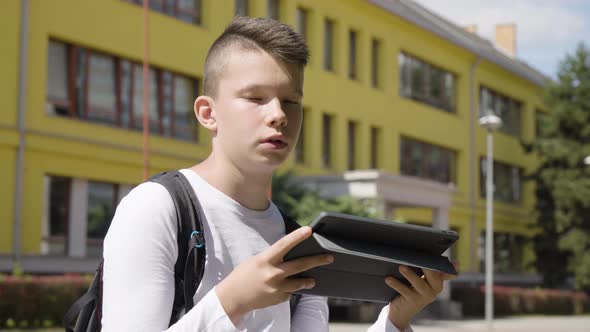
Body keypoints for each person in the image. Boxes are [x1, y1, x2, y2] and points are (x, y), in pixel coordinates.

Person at [101, 16, 454, 332]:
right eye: (255, 98)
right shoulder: (155, 209)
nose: (279, 115)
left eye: (291, 101)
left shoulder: (297, 238)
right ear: (208, 113)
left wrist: (395, 320)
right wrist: (233, 301)